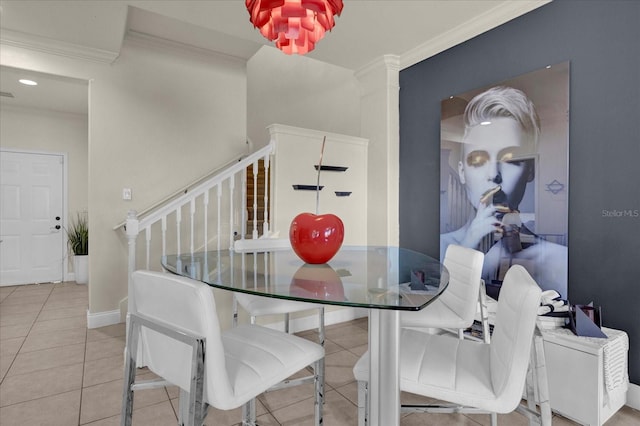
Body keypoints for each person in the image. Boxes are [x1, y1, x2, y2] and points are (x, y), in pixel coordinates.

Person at [440, 86, 567, 295]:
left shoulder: (559, 261)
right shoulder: (441, 250)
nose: (493, 174)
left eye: (510, 159)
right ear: (462, 172)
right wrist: (469, 247)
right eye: (478, 160)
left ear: (531, 169)